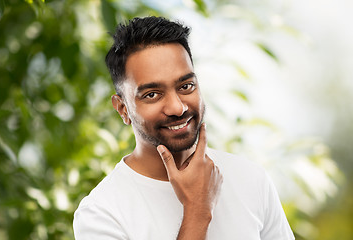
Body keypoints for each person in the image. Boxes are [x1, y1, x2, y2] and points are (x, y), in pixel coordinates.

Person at [73, 16, 295, 240]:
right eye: (152, 94)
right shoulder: (101, 213)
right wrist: (198, 210)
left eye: (186, 86)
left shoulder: (252, 180)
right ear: (122, 109)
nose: (177, 107)